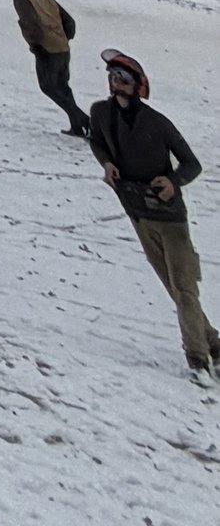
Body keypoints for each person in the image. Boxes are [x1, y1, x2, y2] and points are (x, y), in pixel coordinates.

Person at [88, 49, 215, 381]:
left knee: (184, 287)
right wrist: (107, 163)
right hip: (136, 212)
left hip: (171, 218)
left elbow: (192, 165)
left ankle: (197, 358)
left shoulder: (158, 123)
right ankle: (213, 342)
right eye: (113, 77)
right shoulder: (100, 113)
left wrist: (173, 181)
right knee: (174, 288)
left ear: (137, 85)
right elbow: (97, 142)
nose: (116, 83)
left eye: (124, 78)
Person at [6, 0, 91, 136]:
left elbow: (30, 23)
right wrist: (63, 39)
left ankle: (85, 121)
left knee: (49, 87)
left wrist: (36, 45)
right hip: (62, 48)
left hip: (46, 49)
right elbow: (69, 22)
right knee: (63, 88)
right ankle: (77, 126)